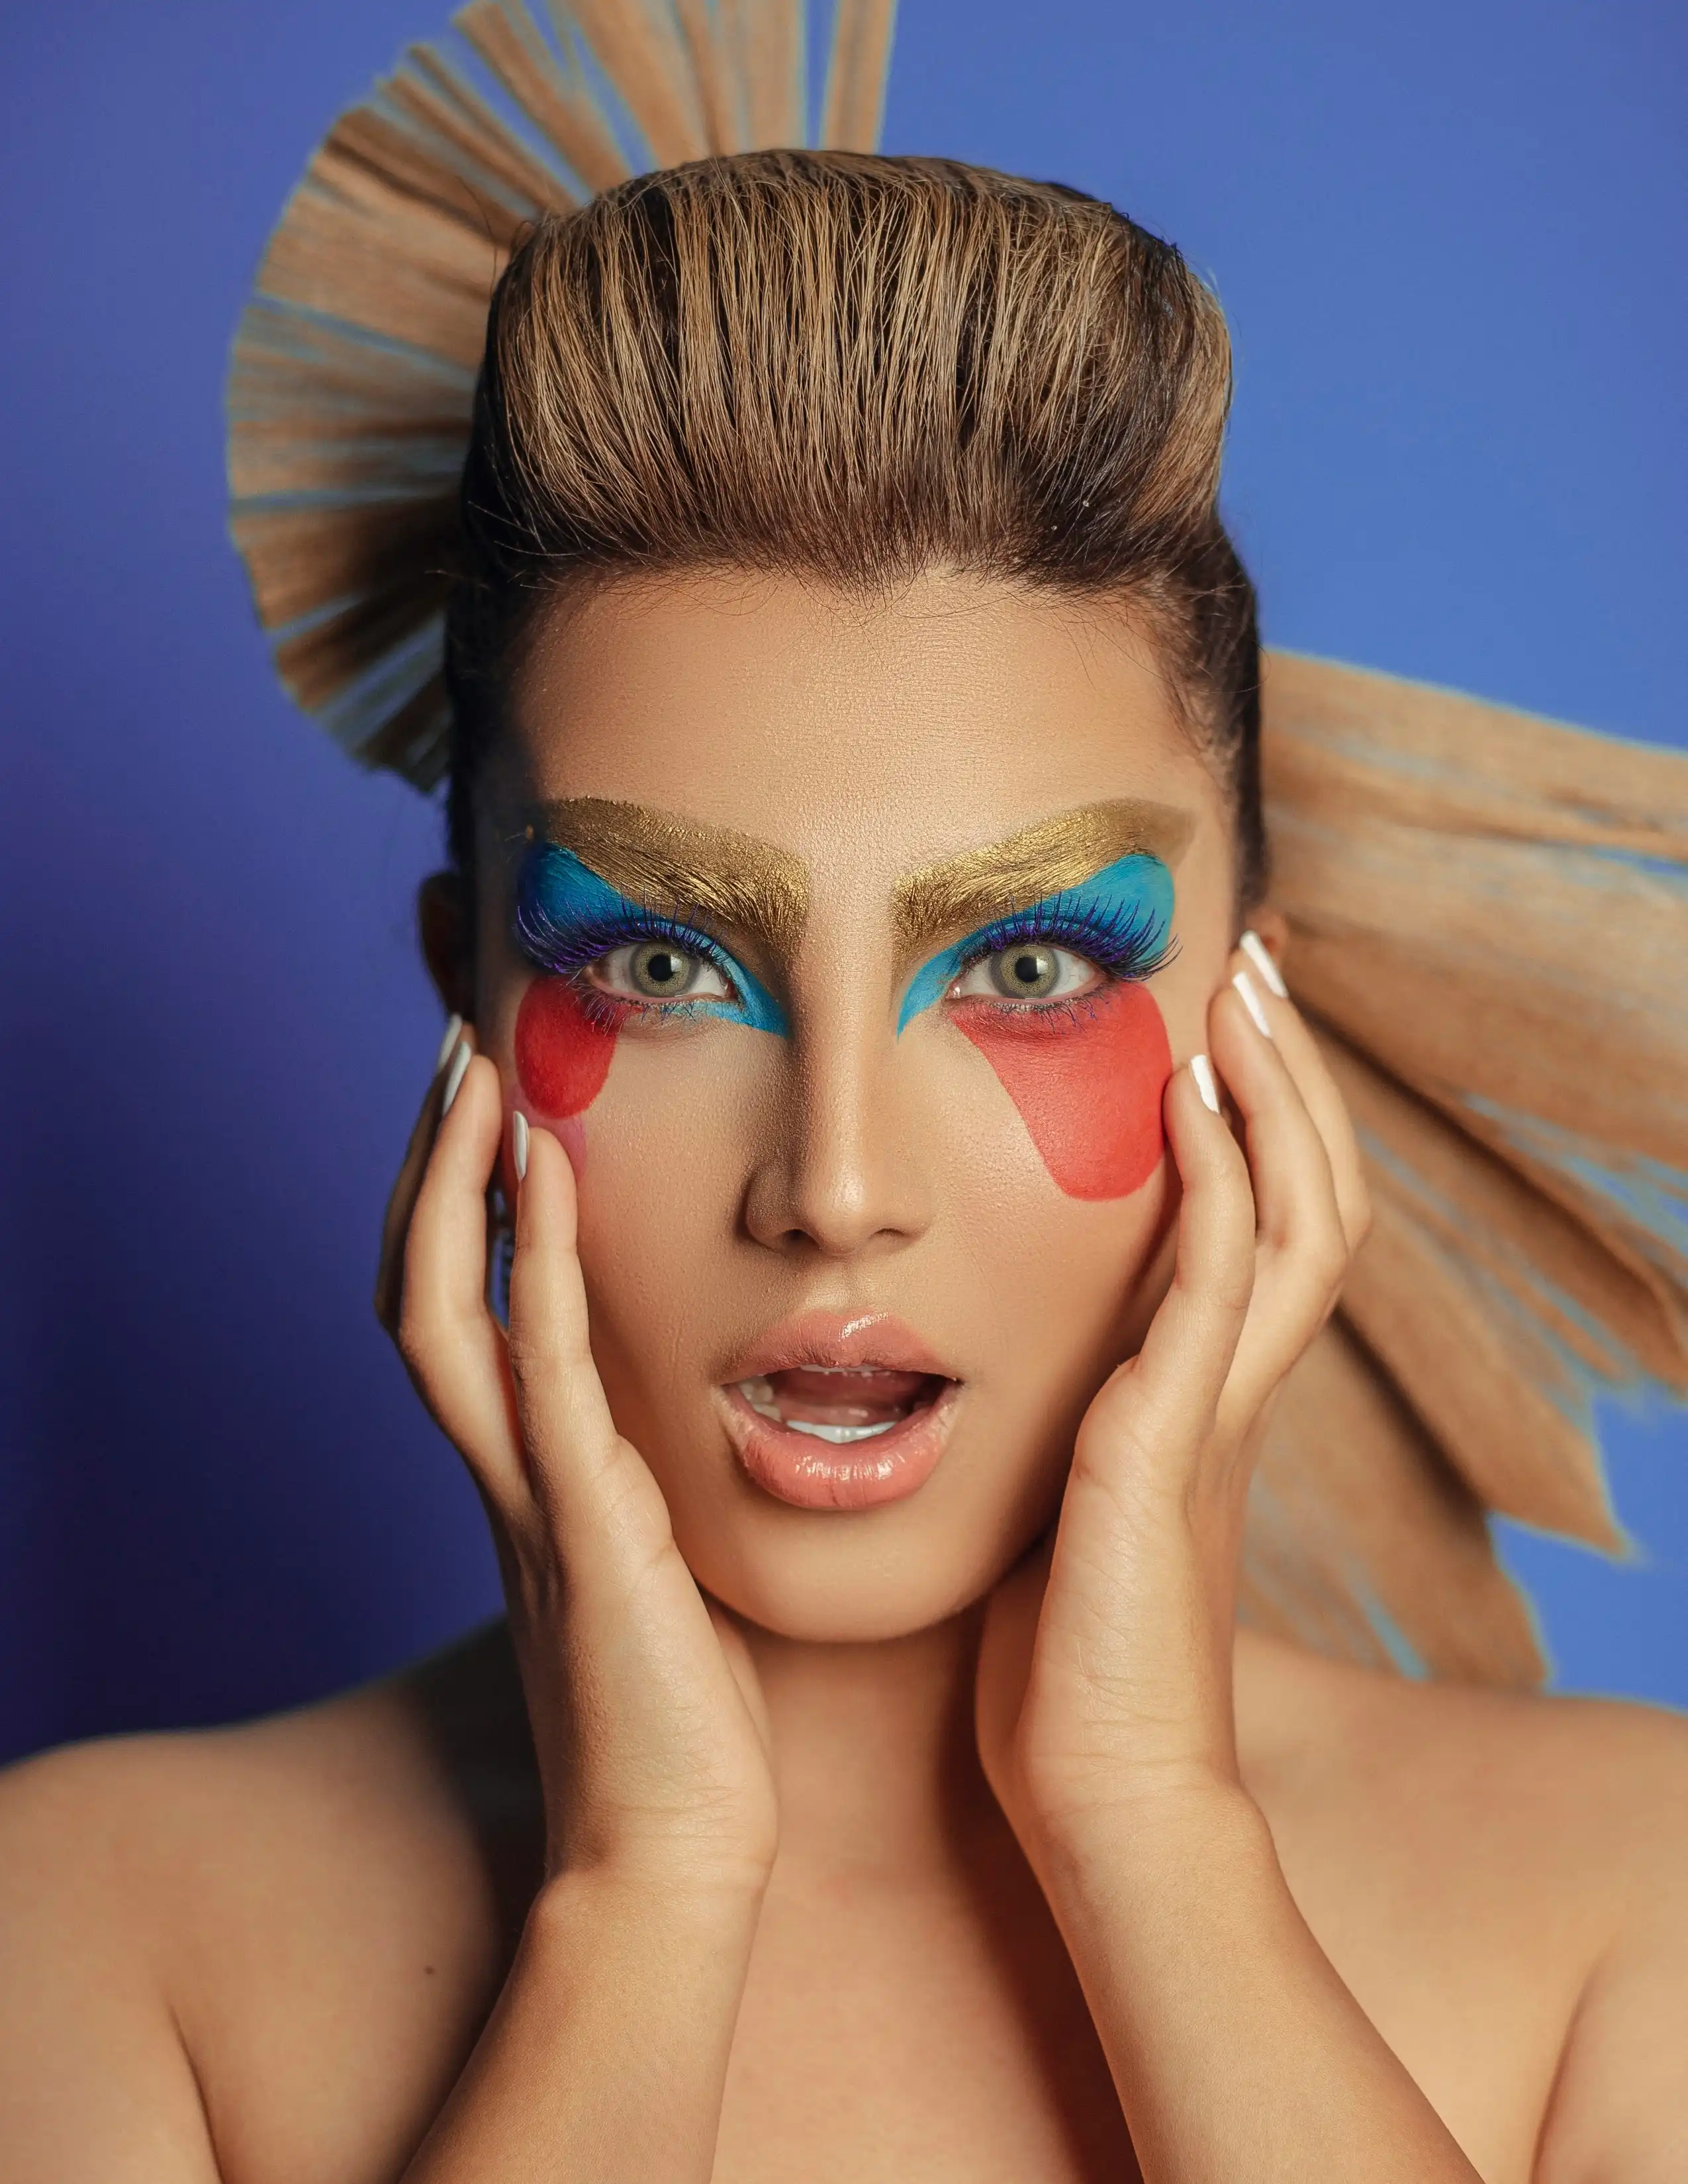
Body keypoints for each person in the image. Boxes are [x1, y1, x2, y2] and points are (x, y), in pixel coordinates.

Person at [3, 7, 1687, 2179]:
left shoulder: (1630, 1908)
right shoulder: (92, 1937)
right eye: (660, 958)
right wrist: (644, 1899)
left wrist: (1152, 1831)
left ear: (1252, 1015)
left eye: (1019, 961)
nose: (838, 1188)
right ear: (468, 1008)